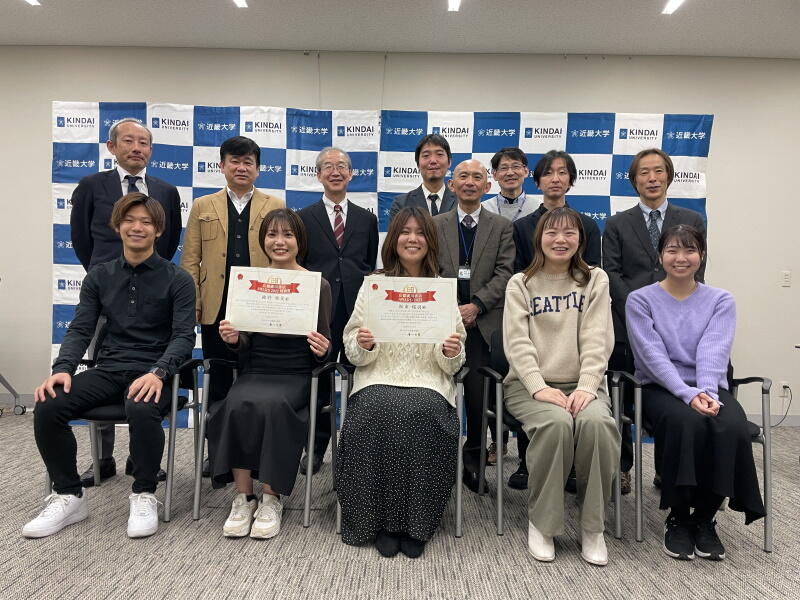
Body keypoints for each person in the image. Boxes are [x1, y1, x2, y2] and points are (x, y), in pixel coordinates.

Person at [24, 193, 195, 539]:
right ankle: (69, 495)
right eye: (129, 220)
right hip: (110, 368)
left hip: (155, 373)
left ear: (159, 230)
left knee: (141, 404)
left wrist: (159, 372)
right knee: (49, 403)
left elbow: (183, 337)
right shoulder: (99, 276)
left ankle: (144, 492)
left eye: (146, 221)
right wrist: (62, 369)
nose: (137, 227)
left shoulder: (178, 279)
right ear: (117, 226)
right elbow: (81, 328)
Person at [626, 224, 765, 561]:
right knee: (686, 422)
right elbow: (651, 355)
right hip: (660, 387)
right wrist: (686, 394)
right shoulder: (640, 299)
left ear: (701, 255)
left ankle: (704, 517)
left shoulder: (720, 300)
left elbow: (713, 348)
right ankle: (677, 517)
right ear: (660, 256)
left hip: (708, 384)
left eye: (689, 250)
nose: (681, 257)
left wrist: (705, 393)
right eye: (672, 250)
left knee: (730, 425)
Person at [337, 206, 466, 558]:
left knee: (422, 411)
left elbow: (454, 362)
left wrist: (451, 350)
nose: (413, 239)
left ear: (430, 241)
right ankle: (379, 521)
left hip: (429, 381)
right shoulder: (373, 286)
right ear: (393, 239)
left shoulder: (442, 289)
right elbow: (352, 349)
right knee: (377, 409)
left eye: (420, 232)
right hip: (378, 377)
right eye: (405, 232)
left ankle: (417, 523)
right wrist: (365, 344)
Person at [503, 206, 620, 566]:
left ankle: (592, 527)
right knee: (555, 424)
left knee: (597, 424)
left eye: (570, 233)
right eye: (552, 232)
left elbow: (598, 337)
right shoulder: (520, 283)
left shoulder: (595, 279)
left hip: (583, 384)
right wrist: (538, 387)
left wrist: (587, 386)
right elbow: (517, 343)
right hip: (529, 387)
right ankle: (544, 523)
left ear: (580, 240)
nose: (560, 239)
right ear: (539, 238)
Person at [69, 118, 182, 487]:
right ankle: (102, 459)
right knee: (102, 367)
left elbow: (167, 242)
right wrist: (105, 275)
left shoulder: (166, 190)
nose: (137, 148)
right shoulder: (91, 185)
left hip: (152, 293)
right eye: (129, 141)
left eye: (143, 142)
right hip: (106, 293)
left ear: (151, 149)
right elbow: (81, 240)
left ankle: (140, 457)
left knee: (144, 371)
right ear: (111, 147)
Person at [206, 208, 331, 539]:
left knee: (274, 406)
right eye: (272, 235)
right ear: (263, 240)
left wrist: (322, 348)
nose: (280, 242)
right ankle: (244, 497)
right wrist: (234, 339)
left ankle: (271, 498)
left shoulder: (317, 285)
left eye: (287, 235)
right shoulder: (249, 282)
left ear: (299, 241)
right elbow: (244, 342)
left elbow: (325, 341)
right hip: (257, 368)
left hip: (296, 373)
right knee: (234, 403)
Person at [603, 148, 706, 493]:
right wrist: (639, 311)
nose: (651, 178)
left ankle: (666, 468)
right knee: (620, 399)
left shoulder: (691, 219)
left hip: (676, 330)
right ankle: (621, 468)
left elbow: (696, 271)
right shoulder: (617, 223)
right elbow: (611, 273)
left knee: (669, 398)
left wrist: (667, 314)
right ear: (634, 180)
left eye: (658, 171)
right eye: (644, 172)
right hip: (625, 327)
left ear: (669, 176)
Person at [181, 136, 284, 475]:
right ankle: (218, 455)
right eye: (235, 161)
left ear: (258, 168)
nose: (242, 168)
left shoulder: (274, 204)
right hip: (216, 307)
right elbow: (191, 259)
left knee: (257, 381)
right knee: (219, 382)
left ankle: (254, 455)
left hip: (261, 307)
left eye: (248, 162)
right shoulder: (203, 206)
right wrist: (194, 302)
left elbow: (284, 257)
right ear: (222, 165)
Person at [508, 150, 602, 488]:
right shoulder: (522, 227)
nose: (556, 178)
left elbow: (591, 274)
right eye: (548, 173)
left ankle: (574, 467)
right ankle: (527, 462)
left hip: (573, 318)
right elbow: (519, 273)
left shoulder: (587, 225)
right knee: (535, 389)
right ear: (537, 181)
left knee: (584, 410)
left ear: (571, 180)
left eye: (563, 172)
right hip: (535, 316)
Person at [433, 159, 514, 494]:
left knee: (480, 401)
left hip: (482, 325)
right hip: (442, 324)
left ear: (487, 185)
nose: (469, 182)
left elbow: (506, 272)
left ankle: (474, 464)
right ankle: (436, 463)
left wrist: (477, 305)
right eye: (462, 176)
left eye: (477, 177)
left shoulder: (502, 226)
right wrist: (451, 307)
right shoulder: (435, 224)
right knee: (437, 396)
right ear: (452, 185)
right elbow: (428, 267)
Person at [298, 147, 379, 475]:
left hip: (356, 312)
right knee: (318, 382)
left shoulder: (366, 219)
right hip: (319, 312)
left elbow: (368, 264)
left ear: (351, 174)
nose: (336, 172)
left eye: (342, 166)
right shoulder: (304, 218)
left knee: (360, 382)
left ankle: (356, 449)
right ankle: (316, 448)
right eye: (328, 167)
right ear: (318, 175)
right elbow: (300, 265)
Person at [388, 134, 457, 221]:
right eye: (426, 155)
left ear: (449, 161)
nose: (433, 161)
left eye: (439, 154)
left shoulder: (461, 202)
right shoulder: (401, 204)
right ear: (418, 164)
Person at [481, 147, 538, 222]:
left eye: (516, 166)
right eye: (504, 168)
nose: (510, 173)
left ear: (526, 171)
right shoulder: (483, 209)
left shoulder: (538, 207)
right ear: (494, 175)